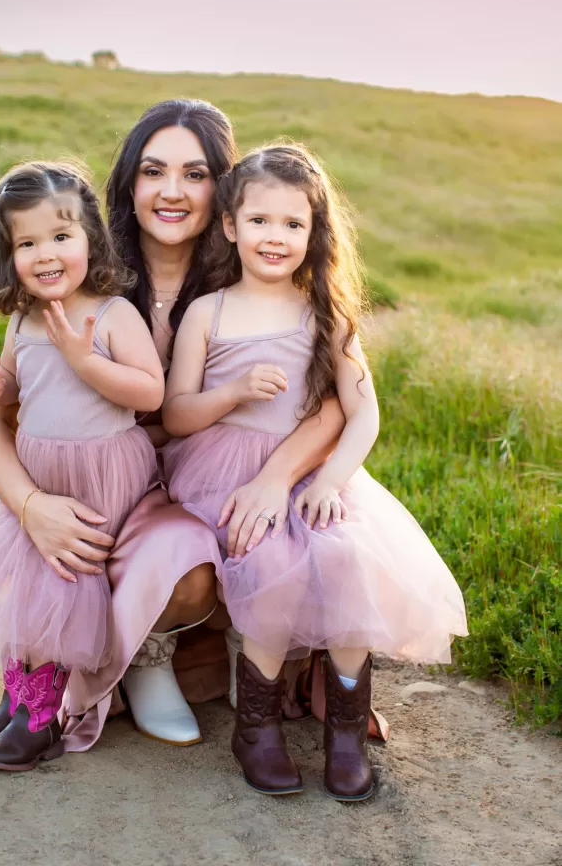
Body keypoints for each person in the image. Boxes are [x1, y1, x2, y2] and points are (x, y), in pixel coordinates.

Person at [0, 100, 347, 752]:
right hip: (87, 476)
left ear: (222, 192)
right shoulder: (84, 278)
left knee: (210, 560)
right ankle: (77, 685)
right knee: (63, 563)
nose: (172, 192)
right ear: (126, 184)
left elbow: (333, 398)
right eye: (152, 171)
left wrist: (278, 477)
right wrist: (29, 507)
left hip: (210, 477)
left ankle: (168, 666)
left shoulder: (249, 278)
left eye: (195, 174)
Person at [162, 144, 468, 801]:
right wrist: (234, 390)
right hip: (226, 471)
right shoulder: (207, 313)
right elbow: (178, 414)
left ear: (314, 231)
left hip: (315, 474)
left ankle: (346, 733)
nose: (276, 237)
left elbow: (362, 415)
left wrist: (332, 480)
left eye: (293, 224)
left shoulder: (325, 314)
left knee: (346, 557)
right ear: (228, 226)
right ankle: (258, 727)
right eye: (260, 221)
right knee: (267, 563)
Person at [0, 160, 164, 771]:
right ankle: (16, 699)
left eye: (61, 237)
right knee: (22, 589)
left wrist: (86, 361)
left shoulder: (111, 314)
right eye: (27, 243)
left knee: (57, 581)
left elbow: (150, 393)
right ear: (9, 255)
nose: (47, 254)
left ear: (90, 237)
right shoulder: (22, 318)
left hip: (98, 473)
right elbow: (16, 389)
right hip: (38, 475)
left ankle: (44, 716)